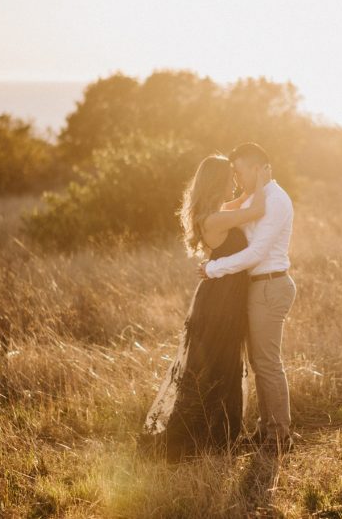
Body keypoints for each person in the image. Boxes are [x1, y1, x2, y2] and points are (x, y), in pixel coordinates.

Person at [139, 153, 272, 462]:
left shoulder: (215, 212)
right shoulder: (215, 218)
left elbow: (241, 204)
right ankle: (207, 442)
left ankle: (217, 439)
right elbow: (258, 208)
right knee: (216, 369)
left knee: (218, 367)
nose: (235, 182)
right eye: (230, 178)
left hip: (222, 296)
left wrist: (247, 185)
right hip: (219, 302)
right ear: (218, 183)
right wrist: (261, 174)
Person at [198, 142, 296, 453]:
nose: (237, 178)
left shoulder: (276, 200)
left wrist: (213, 269)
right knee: (260, 363)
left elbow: (255, 253)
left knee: (267, 363)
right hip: (259, 287)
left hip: (270, 285)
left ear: (257, 168)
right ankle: (266, 430)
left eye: (239, 171)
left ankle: (280, 436)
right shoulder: (256, 197)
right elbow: (223, 215)